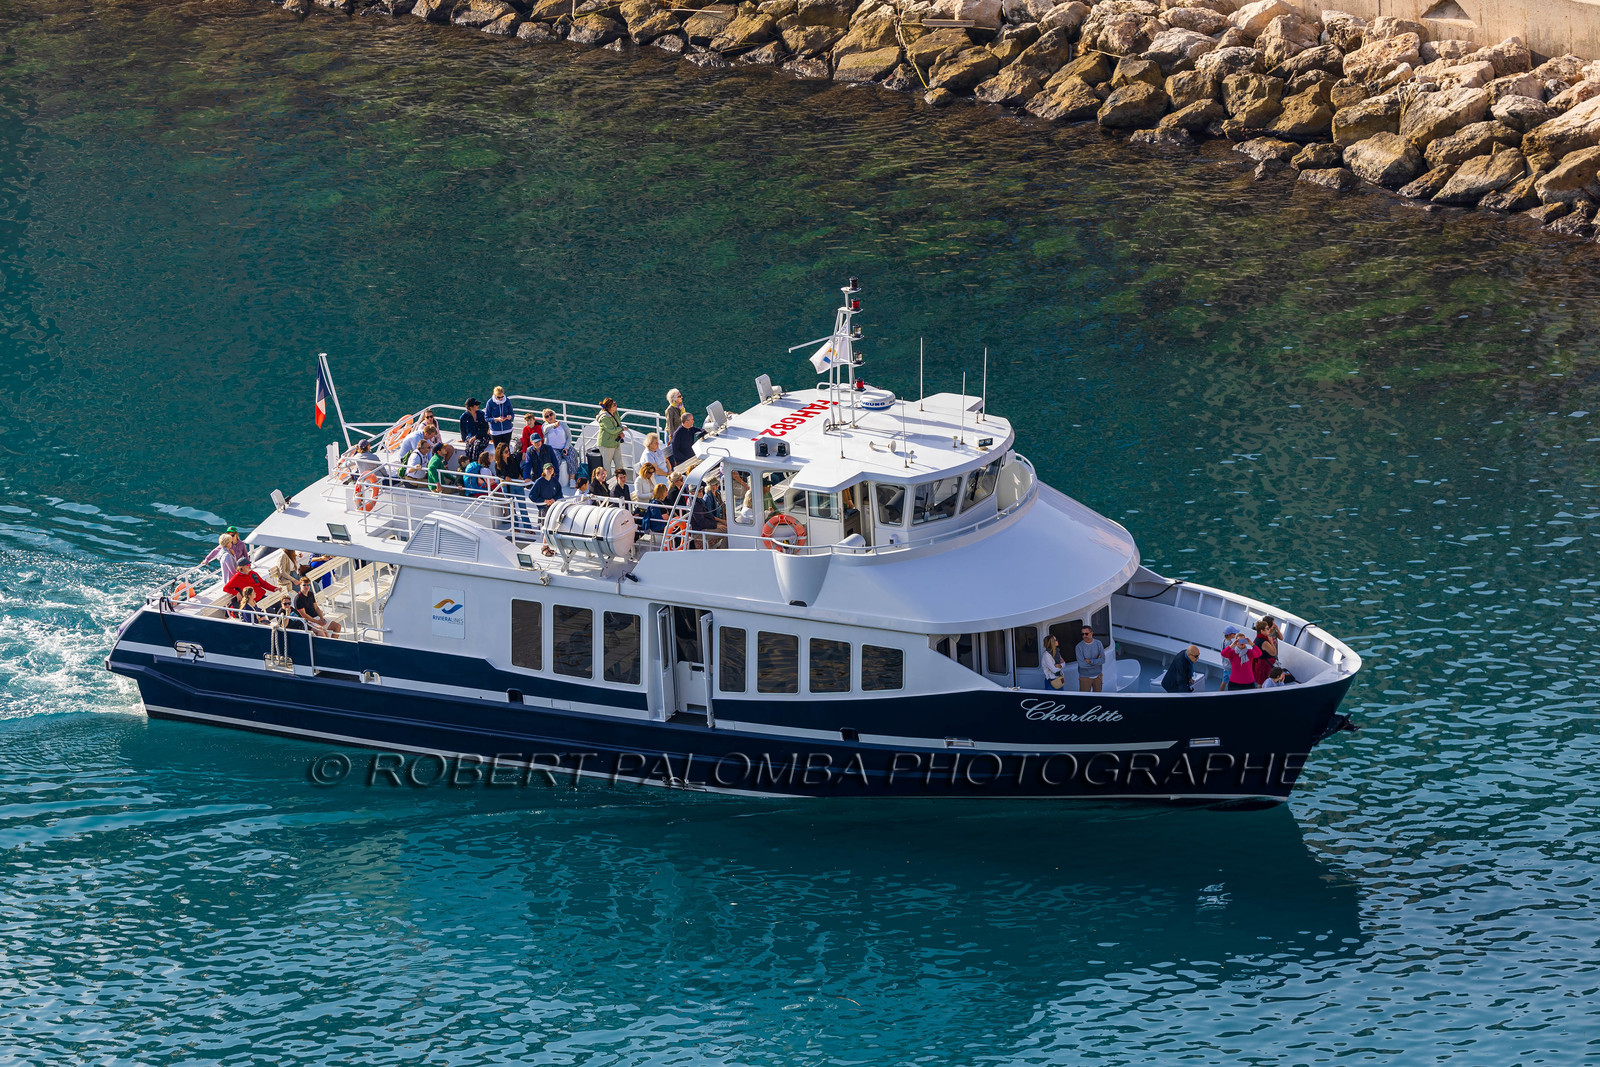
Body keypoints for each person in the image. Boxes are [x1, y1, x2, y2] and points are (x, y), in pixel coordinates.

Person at [1220, 625, 1259, 691]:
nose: (1235, 634)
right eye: (1234, 633)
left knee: (1224, 681)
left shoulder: (1223, 641)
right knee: (1232, 681)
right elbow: (1235, 653)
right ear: (1230, 634)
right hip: (1230, 667)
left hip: (1225, 665)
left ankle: (1220, 693)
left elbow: (1223, 652)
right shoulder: (1231, 644)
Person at [541, 408, 573, 483]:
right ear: (545, 419)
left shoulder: (562, 424)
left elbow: (569, 436)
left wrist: (566, 447)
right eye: (546, 416)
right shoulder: (545, 426)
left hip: (564, 447)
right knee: (555, 459)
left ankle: (572, 479)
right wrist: (553, 425)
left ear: (554, 415)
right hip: (553, 449)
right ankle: (554, 479)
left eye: (551, 414)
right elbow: (544, 430)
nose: (549, 417)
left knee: (572, 455)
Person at [596, 398, 625, 475]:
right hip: (606, 444)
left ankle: (620, 480)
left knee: (619, 464)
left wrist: (620, 432)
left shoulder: (615, 413)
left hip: (615, 442)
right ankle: (607, 483)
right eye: (614, 405)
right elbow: (612, 430)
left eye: (615, 403)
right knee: (607, 466)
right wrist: (622, 429)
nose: (616, 406)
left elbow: (618, 423)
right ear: (609, 407)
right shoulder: (604, 418)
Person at [1075, 625, 1105, 693]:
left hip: (1098, 676)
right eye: (1082, 634)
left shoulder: (1098, 643)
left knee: (1098, 698)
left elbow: (1103, 660)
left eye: (1086, 634)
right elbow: (1082, 665)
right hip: (1084, 677)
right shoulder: (1079, 647)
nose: (1084, 636)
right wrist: (1097, 661)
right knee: (1084, 699)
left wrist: (1090, 661)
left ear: (1091, 633)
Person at [1251, 616, 1280, 686]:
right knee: (1263, 683)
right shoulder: (1264, 642)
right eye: (1267, 629)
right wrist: (1271, 642)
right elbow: (1274, 653)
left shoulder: (1258, 638)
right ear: (1262, 631)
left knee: (1260, 683)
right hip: (1264, 666)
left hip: (1260, 664)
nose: (1269, 630)